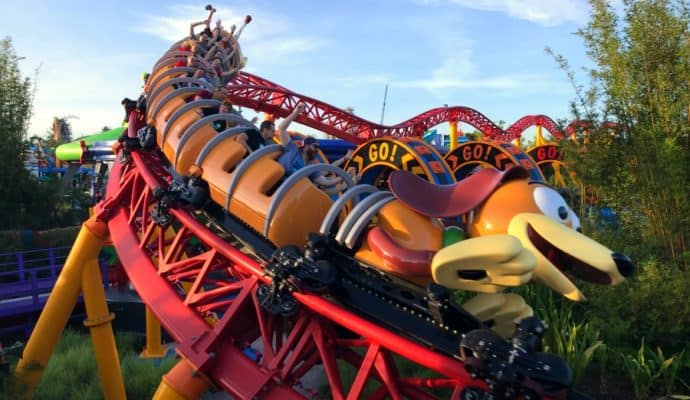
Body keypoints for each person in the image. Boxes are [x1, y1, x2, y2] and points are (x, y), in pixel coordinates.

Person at [277, 103, 349, 193]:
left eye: (318, 148)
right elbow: (281, 128)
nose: (317, 150)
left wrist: (345, 176)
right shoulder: (293, 148)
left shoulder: (310, 167)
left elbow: (326, 182)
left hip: (288, 192)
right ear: (306, 145)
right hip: (276, 181)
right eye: (315, 146)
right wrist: (296, 112)